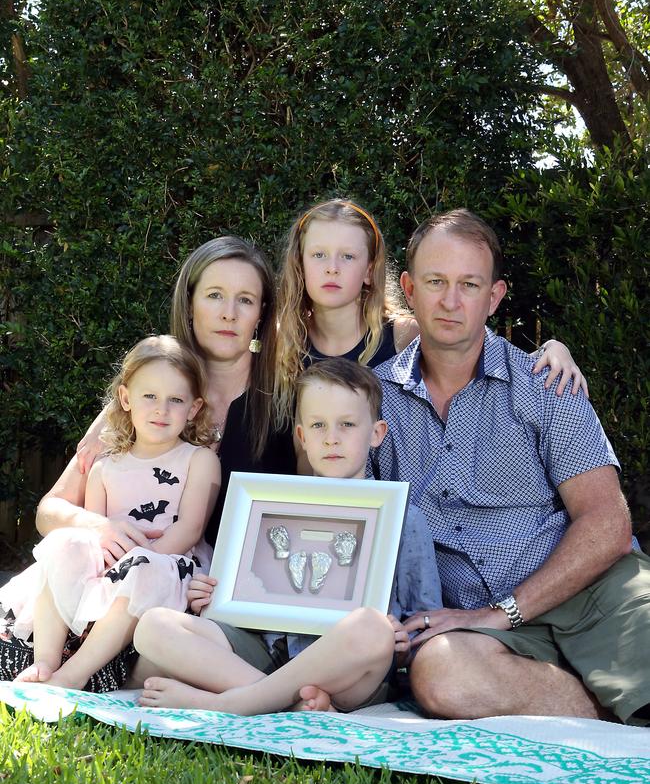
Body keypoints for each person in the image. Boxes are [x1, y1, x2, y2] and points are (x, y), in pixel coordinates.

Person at [371, 208, 650, 725]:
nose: (450, 301)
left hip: (593, 594)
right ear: (408, 288)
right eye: (435, 282)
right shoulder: (374, 403)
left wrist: (503, 613)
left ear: (494, 297)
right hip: (480, 628)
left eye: (469, 285)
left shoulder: (546, 383)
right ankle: (609, 712)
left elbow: (607, 525)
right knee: (439, 674)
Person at [133, 358, 443, 714]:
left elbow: (424, 617)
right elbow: (245, 597)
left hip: (348, 672)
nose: (331, 437)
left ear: (376, 433)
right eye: (318, 425)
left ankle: (236, 702)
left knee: (372, 629)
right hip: (267, 653)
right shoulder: (269, 506)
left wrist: (405, 641)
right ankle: (284, 702)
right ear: (302, 437)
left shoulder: (403, 518)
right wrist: (214, 599)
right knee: (153, 626)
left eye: (347, 424)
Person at [37, 236, 296, 562]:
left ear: (261, 314)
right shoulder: (148, 397)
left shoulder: (288, 400)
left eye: (245, 300)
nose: (228, 313)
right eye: (214, 295)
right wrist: (97, 526)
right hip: (132, 582)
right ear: (189, 305)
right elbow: (48, 511)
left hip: (242, 592)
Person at [0, 335, 220, 691]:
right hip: (110, 569)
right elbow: (92, 539)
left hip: (166, 565)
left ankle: (76, 672)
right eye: (149, 396)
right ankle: (46, 660)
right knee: (66, 544)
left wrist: (134, 563)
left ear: (193, 409)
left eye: (175, 400)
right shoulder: (105, 467)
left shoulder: (199, 460)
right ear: (125, 398)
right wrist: (103, 567)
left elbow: (190, 531)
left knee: (144, 571)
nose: (161, 409)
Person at [273, 197, 589, 434]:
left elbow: (472, 346)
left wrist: (552, 349)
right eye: (318, 254)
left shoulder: (402, 336)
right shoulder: (280, 342)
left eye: (348, 256)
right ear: (300, 265)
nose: (332, 267)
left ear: (369, 269)